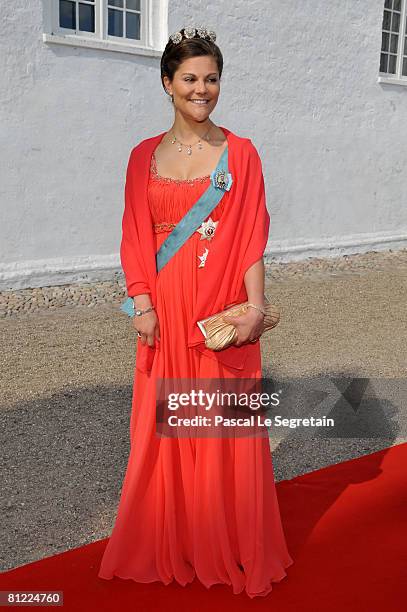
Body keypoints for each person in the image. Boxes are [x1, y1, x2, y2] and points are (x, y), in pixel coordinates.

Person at [98, 26, 293, 599]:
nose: (201, 89)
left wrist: (254, 308)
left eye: (211, 79)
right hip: (163, 303)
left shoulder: (242, 153)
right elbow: (134, 233)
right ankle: (172, 540)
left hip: (219, 309)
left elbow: (252, 233)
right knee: (164, 425)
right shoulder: (142, 156)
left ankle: (227, 545)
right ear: (167, 83)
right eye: (190, 78)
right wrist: (141, 300)